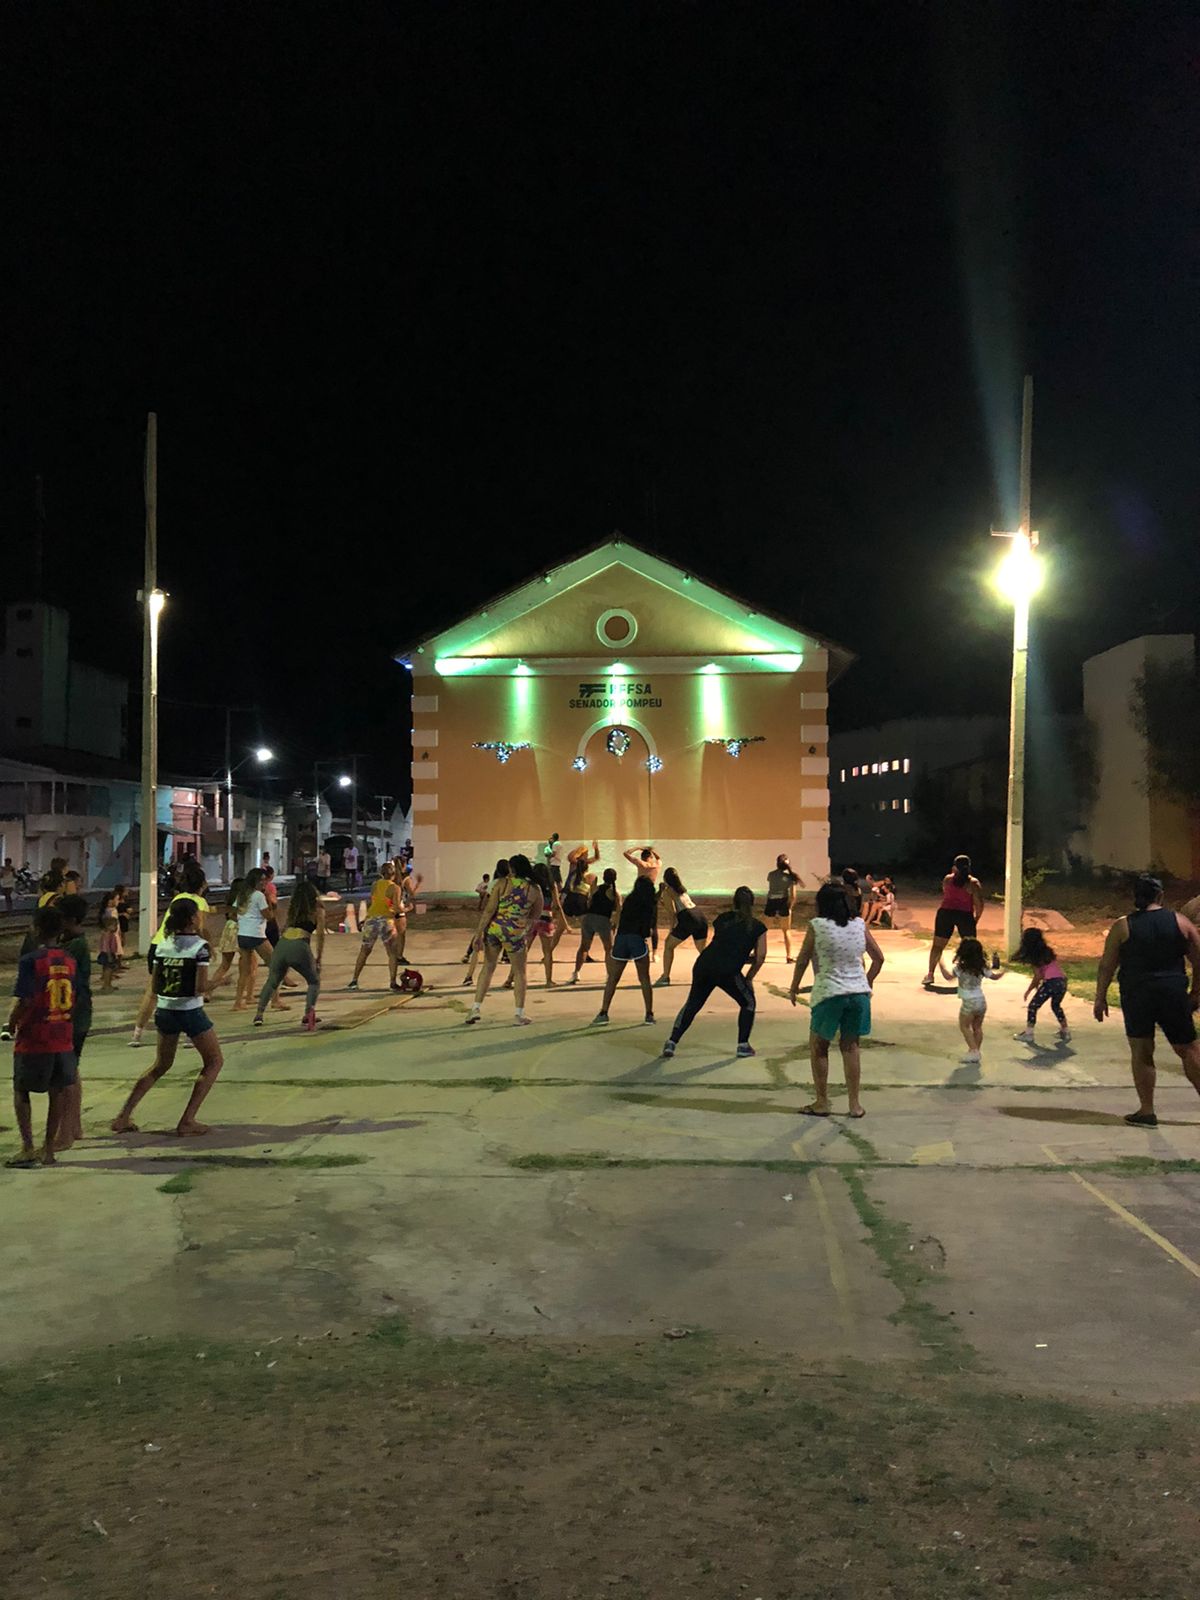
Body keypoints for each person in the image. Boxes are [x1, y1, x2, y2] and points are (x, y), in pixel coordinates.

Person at [1094, 874, 1200, 1128]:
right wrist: (1196, 992)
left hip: (1137, 994)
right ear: (1160, 896)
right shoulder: (1181, 922)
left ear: (1136, 897)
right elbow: (1199, 960)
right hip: (1172, 992)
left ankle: (1147, 1110)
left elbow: (1107, 965)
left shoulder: (1123, 926)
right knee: (1188, 1048)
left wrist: (1100, 997)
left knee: (1142, 1050)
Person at [112, 899, 224, 1137]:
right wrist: (220, 981)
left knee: (161, 1065)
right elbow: (200, 987)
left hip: (165, 1009)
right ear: (192, 919)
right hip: (190, 1011)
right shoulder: (200, 947)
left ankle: (123, 1115)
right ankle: (187, 1120)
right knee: (214, 1061)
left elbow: (155, 985)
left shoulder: (162, 944)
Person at [789, 881, 885, 1119]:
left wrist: (794, 986)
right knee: (851, 1047)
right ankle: (855, 1105)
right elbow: (878, 958)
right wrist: (867, 981)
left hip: (829, 994)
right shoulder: (859, 924)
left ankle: (822, 1101)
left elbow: (803, 959)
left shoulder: (817, 925)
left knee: (819, 1047)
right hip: (858, 995)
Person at [6, 906, 78, 1167]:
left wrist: (10, 1024)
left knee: (21, 1090)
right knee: (56, 1092)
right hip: (63, 1035)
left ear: (36, 929)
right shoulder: (70, 959)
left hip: (35, 1036)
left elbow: (24, 999)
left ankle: (27, 1147)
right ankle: (48, 1150)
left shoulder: (30, 961)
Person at [662, 886, 766, 1058]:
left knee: (693, 1004)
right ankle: (743, 1045)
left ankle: (672, 1041)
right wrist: (749, 977)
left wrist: (741, 957)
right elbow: (760, 956)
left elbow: (724, 945)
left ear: (734, 902)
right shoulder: (757, 927)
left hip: (705, 964)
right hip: (728, 970)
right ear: (752, 904)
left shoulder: (722, 919)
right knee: (748, 1003)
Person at [129, 859, 211, 1044]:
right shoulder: (200, 902)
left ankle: (137, 1034)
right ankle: (192, 1034)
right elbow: (200, 928)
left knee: (153, 992)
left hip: (159, 945)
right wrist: (207, 946)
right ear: (202, 884)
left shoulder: (177, 899)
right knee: (191, 992)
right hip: (184, 948)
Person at [466, 853, 542, 1025]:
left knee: (488, 968)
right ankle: (519, 1014)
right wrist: (524, 927)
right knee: (520, 972)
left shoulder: (502, 883)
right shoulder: (534, 889)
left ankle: (475, 1008)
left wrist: (478, 933)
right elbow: (535, 915)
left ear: (512, 869)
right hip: (515, 933)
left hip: (495, 930)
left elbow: (489, 910)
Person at [254, 878, 326, 1030]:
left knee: (272, 981)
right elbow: (320, 935)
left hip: (283, 944)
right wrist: (319, 957)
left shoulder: (293, 911)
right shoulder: (317, 909)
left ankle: (259, 1014)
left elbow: (284, 928)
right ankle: (308, 1013)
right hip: (300, 945)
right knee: (314, 981)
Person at [593, 873, 657, 1026]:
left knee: (613, 978)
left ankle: (603, 1012)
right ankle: (649, 1014)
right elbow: (648, 927)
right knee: (644, 978)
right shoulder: (649, 903)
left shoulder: (629, 899)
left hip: (622, 938)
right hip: (636, 938)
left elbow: (621, 917)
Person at [57, 894, 93, 1147]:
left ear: (69, 919)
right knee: (71, 1071)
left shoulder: (75, 946)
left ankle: (65, 1134)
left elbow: (75, 987)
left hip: (72, 1017)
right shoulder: (73, 942)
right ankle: (75, 1127)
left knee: (65, 1076)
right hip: (76, 1015)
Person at [923, 854, 984, 988]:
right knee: (970, 947)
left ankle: (930, 974)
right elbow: (979, 904)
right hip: (965, 914)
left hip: (946, 913)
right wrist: (976, 918)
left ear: (955, 867)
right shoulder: (973, 883)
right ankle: (970, 976)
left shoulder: (947, 879)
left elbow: (946, 892)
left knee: (937, 945)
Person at [231, 868, 285, 1013]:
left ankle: (238, 1002)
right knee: (275, 966)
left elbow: (233, 913)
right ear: (254, 881)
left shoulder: (242, 895)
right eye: (261, 880)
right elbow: (269, 916)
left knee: (244, 971)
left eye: (264, 880)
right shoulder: (259, 896)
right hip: (256, 935)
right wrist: (269, 901)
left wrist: (245, 920)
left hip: (243, 935)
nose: (264, 883)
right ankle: (275, 1000)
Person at [348, 861, 403, 990]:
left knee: (364, 950)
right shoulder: (395, 888)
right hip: (386, 920)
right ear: (394, 874)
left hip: (372, 918)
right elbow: (396, 906)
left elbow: (374, 901)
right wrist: (406, 909)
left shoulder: (375, 885)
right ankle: (392, 982)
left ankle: (354, 980)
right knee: (392, 952)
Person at [1012, 927, 1070, 1045]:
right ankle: (1065, 1030)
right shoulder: (1047, 951)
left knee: (1033, 1006)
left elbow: (1038, 976)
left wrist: (1029, 990)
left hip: (1051, 982)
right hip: (1062, 981)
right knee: (1056, 1005)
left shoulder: (1034, 955)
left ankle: (1029, 1033)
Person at [952, 937, 1003, 1065]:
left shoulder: (960, 968)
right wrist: (1003, 972)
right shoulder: (982, 968)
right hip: (981, 1001)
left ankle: (974, 1051)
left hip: (968, 1002)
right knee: (977, 1027)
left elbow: (948, 977)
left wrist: (940, 966)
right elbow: (995, 977)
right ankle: (975, 1052)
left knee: (964, 1026)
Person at [656, 868, 709, 986]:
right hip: (699, 915)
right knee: (703, 951)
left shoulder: (667, 891)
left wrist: (671, 929)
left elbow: (672, 913)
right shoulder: (682, 889)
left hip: (688, 917)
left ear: (665, 879)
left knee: (668, 945)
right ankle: (715, 973)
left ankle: (665, 977)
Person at [570, 867, 620, 981]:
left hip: (589, 918)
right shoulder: (614, 893)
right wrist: (615, 924)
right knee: (608, 949)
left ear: (603, 877)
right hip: (603, 920)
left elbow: (589, 902)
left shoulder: (595, 888)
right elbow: (619, 910)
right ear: (615, 879)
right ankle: (609, 975)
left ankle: (576, 973)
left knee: (584, 947)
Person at [465, 860, 509, 983]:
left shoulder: (494, 884)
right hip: (508, 920)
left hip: (493, 920)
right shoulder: (513, 884)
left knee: (478, 948)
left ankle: (469, 975)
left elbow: (489, 905)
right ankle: (511, 979)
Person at [529, 862, 565, 987]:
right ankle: (548, 980)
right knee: (547, 951)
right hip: (546, 917)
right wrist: (564, 922)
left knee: (524, 950)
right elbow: (557, 905)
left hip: (532, 918)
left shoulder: (531, 885)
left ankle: (510, 978)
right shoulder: (551, 885)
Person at [764, 854, 801, 960]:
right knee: (786, 930)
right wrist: (790, 907)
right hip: (783, 902)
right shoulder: (791, 877)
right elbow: (793, 896)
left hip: (771, 902)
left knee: (763, 930)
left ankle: (758, 951)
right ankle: (789, 955)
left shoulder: (771, 875)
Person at [561, 842, 600, 921]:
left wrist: (596, 849)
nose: (587, 855)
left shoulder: (584, 863)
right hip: (569, 889)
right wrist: (578, 850)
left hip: (578, 892)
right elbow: (569, 857)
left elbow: (596, 858)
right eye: (586, 854)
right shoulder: (575, 862)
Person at [97, 890, 123, 990]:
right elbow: (107, 946)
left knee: (107, 967)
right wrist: (110, 954)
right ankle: (107, 984)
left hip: (107, 952)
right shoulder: (108, 935)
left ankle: (106, 982)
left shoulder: (107, 933)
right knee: (108, 967)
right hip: (108, 953)